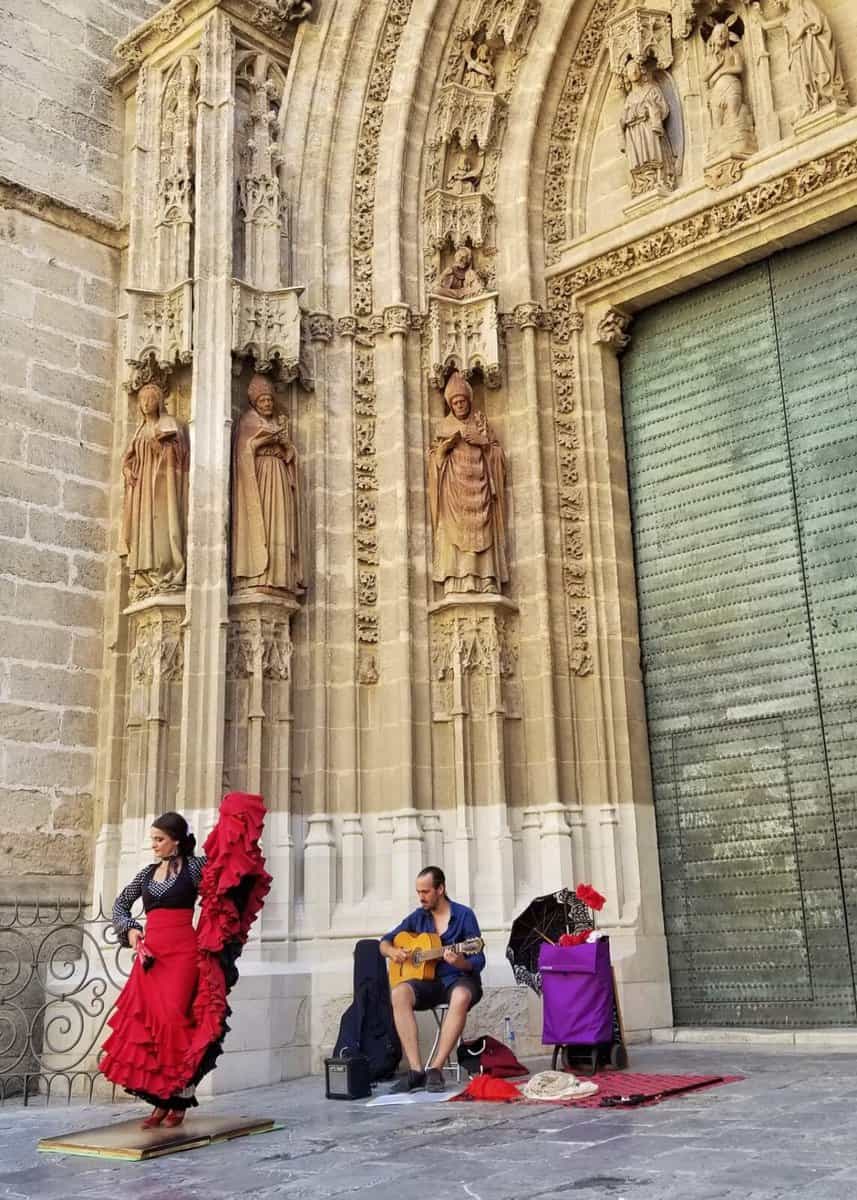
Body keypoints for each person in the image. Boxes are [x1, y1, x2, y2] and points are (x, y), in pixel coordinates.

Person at [100, 796, 271, 1129]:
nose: (154, 846)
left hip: (183, 954)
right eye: (152, 839)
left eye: (159, 840)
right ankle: (161, 1102)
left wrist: (232, 822)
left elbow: (225, 874)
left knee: (175, 1021)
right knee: (150, 1026)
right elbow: (119, 907)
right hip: (151, 957)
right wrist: (132, 932)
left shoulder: (194, 867)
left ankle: (179, 1097)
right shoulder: (146, 874)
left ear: (176, 840)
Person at [380, 866, 485, 1093]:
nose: (421, 897)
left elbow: (479, 960)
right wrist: (393, 952)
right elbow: (385, 941)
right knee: (399, 993)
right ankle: (416, 1071)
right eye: (418, 892)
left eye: (426, 892)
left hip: (459, 978)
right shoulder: (418, 917)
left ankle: (435, 1070)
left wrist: (460, 962)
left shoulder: (464, 915)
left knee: (460, 995)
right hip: (429, 983)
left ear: (440, 889)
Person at [428, 372, 508, 595]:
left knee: (484, 535)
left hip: (480, 490)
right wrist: (445, 449)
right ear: (450, 405)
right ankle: (457, 580)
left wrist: (482, 442)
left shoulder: (481, 424)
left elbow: (498, 456)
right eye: (456, 403)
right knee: (454, 538)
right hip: (453, 494)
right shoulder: (443, 427)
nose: (460, 405)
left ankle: (486, 579)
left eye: (463, 401)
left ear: (469, 401)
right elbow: (434, 461)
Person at [231, 373, 306, 596]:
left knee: (280, 523)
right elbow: (245, 451)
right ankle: (259, 577)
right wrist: (268, 438)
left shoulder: (275, 422)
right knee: (263, 521)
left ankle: (280, 577)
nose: (267, 404)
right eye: (263, 400)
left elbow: (290, 453)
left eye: (270, 400)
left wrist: (287, 446)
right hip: (260, 476)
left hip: (278, 474)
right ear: (255, 402)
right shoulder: (248, 421)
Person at [119, 382, 189, 598]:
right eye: (143, 400)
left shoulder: (168, 423)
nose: (146, 403)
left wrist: (159, 446)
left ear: (159, 402)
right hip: (141, 490)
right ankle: (144, 577)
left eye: (151, 399)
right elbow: (128, 458)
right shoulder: (139, 430)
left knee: (161, 527)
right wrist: (127, 471)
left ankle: (164, 572)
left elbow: (179, 456)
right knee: (143, 528)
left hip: (161, 486)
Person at [619, 60, 676, 196]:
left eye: (635, 68)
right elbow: (623, 120)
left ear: (641, 70)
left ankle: (659, 179)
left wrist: (651, 109)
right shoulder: (629, 98)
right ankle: (643, 183)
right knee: (640, 161)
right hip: (636, 136)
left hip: (650, 131)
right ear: (626, 75)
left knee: (655, 156)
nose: (633, 72)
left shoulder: (652, 89)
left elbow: (664, 109)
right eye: (629, 70)